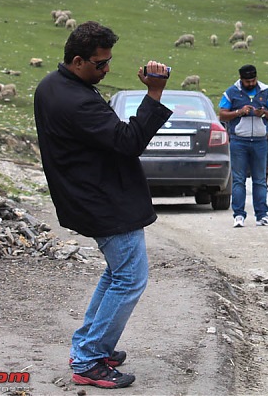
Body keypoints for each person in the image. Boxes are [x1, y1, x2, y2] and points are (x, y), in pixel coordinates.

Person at [33, 21, 172, 389]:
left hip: (90, 196)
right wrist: (154, 94)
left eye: (108, 62)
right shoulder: (75, 100)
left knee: (117, 274)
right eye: (100, 64)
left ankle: (89, 346)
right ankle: (90, 358)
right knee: (129, 279)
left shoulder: (54, 85)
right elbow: (128, 142)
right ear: (77, 61)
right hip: (104, 202)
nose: (106, 69)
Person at [218, 64, 268, 227]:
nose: (250, 83)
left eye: (253, 80)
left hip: (260, 141)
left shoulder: (266, 91)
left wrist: (263, 112)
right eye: (247, 81)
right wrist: (239, 112)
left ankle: (262, 215)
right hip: (239, 141)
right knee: (239, 179)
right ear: (241, 79)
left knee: (260, 180)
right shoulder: (231, 92)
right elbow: (222, 114)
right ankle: (238, 215)